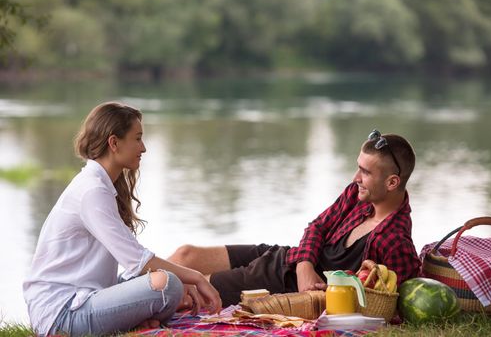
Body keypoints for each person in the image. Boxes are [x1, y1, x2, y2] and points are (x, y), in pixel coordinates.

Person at [23, 102, 221, 337]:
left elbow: (133, 266)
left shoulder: (100, 185)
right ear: (114, 143)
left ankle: (133, 322)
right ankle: (131, 321)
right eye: (137, 139)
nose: (144, 148)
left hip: (85, 296)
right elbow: (137, 260)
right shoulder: (91, 191)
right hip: (62, 313)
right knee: (168, 284)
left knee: (163, 281)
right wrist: (196, 276)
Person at [169, 130, 421, 307]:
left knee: (189, 288)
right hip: (288, 257)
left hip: (279, 284)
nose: (355, 177)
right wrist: (305, 266)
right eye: (358, 167)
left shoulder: (395, 242)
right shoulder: (357, 195)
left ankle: (131, 306)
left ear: (392, 182)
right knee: (186, 255)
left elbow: (385, 302)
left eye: (365, 172)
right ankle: (128, 289)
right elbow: (317, 227)